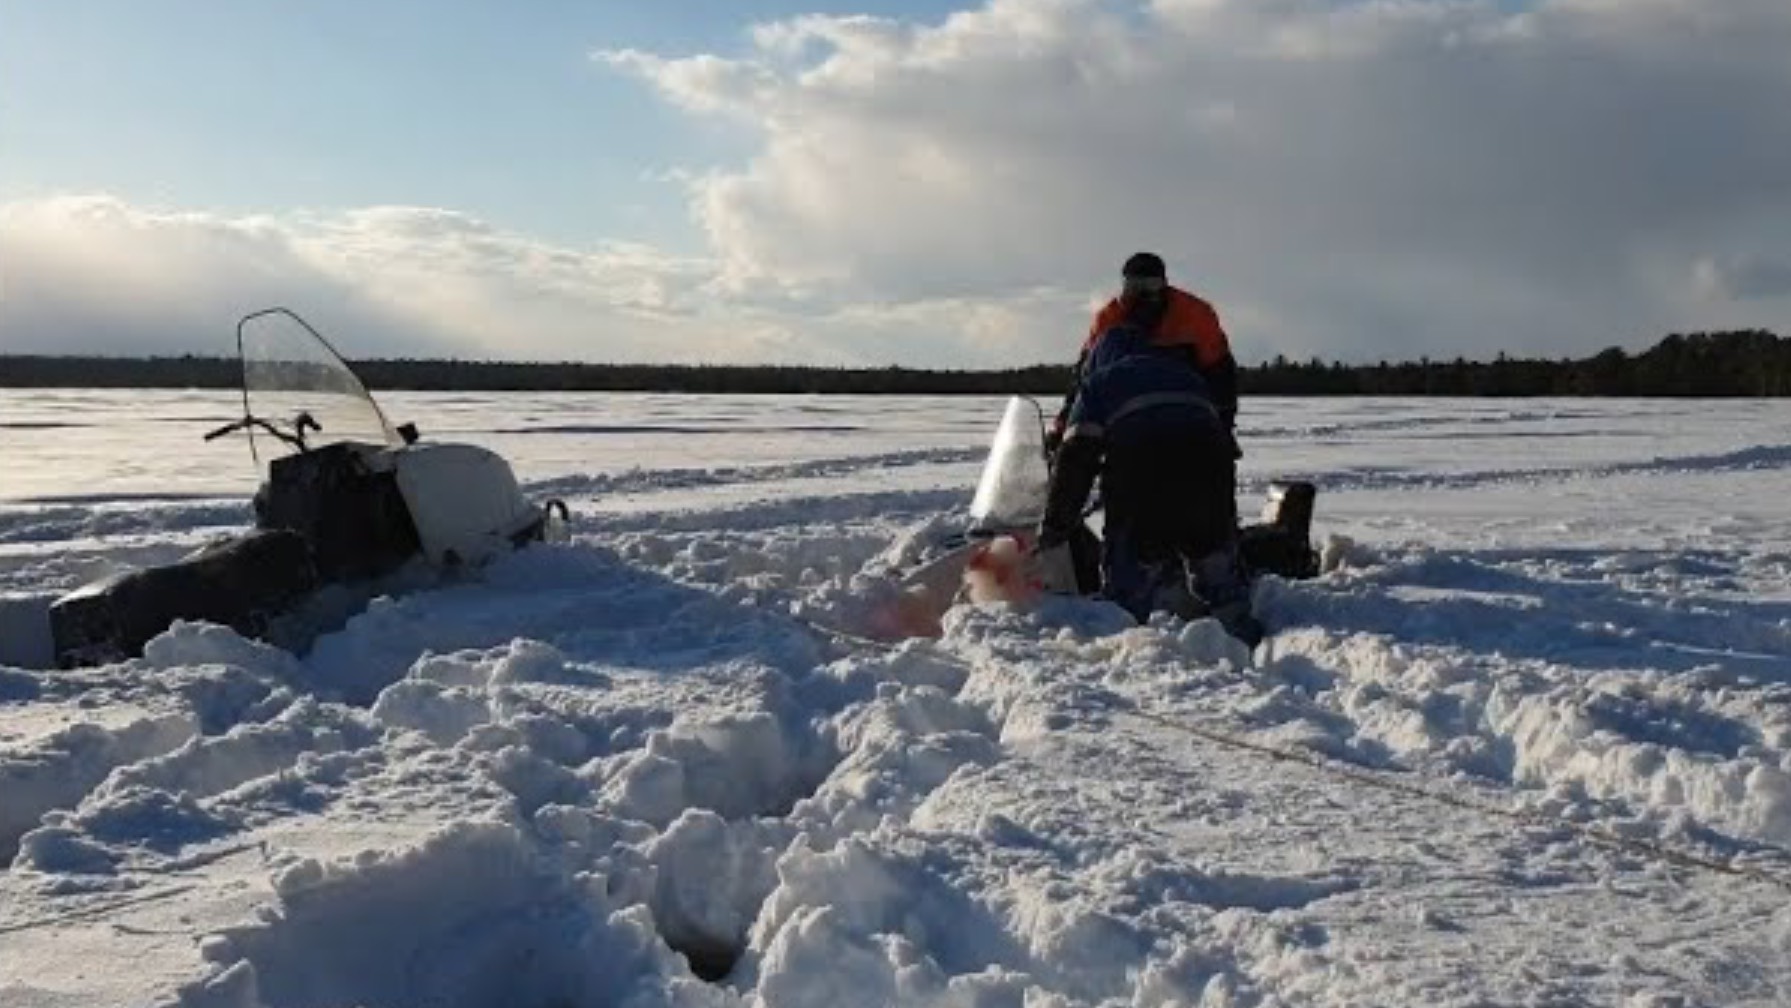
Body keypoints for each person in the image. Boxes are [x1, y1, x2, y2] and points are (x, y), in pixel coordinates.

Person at [1036, 321, 1259, 642]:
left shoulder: (1099, 384)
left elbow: (1075, 458)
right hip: (1210, 480)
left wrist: (1056, 525)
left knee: (1128, 594)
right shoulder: (1188, 377)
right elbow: (1222, 442)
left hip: (1141, 491)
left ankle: (1130, 656)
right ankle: (1246, 648)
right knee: (1219, 578)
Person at [1050, 253, 1241, 522]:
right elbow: (1085, 379)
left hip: (1189, 416)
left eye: (1149, 287)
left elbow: (1220, 372)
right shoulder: (1109, 319)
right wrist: (1062, 427)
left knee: (1213, 475)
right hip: (1130, 425)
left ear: (1164, 285)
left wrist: (1223, 426)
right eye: (1133, 288)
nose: (1142, 296)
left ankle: (1224, 537)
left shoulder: (1195, 314)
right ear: (1124, 287)